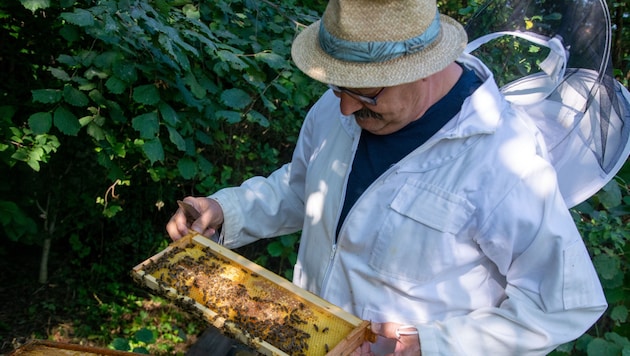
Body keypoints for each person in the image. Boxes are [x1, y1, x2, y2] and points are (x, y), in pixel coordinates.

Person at [167, 0, 608, 354]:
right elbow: (305, 187)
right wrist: (228, 209)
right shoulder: (339, 107)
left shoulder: (504, 160)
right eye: (339, 87)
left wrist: (432, 346)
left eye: (364, 92)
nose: (344, 107)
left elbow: (562, 305)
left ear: (423, 66)